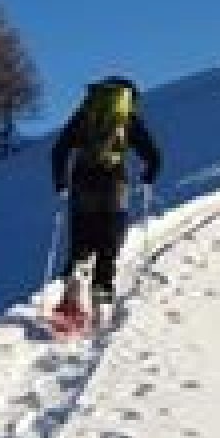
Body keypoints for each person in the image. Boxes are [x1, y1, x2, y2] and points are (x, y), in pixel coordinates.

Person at [50, 76, 161, 309]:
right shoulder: (126, 118)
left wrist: (60, 183)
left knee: (81, 235)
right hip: (113, 182)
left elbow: (59, 149)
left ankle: (74, 279)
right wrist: (148, 176)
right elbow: (153, 155)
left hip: (81, 181)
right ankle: (102, 287)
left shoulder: (84, 114)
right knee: (110, 236)